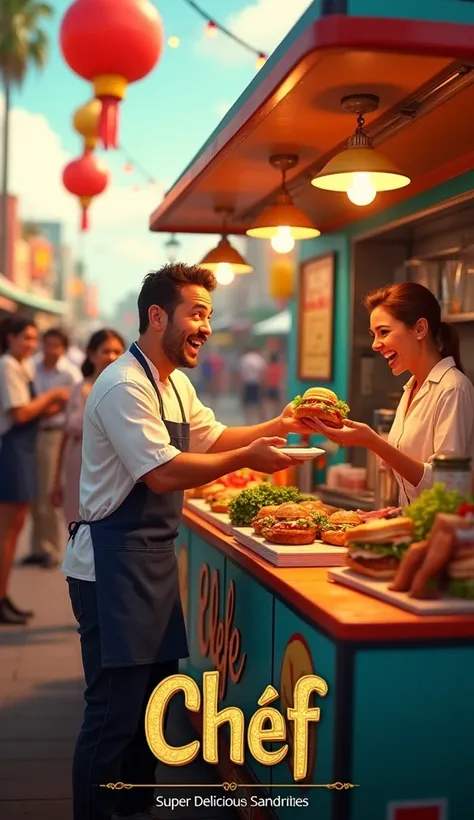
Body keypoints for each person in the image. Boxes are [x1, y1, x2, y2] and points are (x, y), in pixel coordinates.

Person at [61, 263, 312, 820]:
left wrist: (281, 423)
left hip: (148, 564)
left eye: (209, 315)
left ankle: (134, 808)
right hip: (108, 568)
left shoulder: (173, 382)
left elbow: (216, 435)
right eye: (196, 313)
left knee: (153, 707)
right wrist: (247, 459)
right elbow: (164, 473)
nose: (206, 326)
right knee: (110, 717)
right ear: (156, 316)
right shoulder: (123, 384)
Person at [309, 282, 474, 505]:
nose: (376, 345)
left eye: (383, 332)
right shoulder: (410, 388)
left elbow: (447, 484)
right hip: (411, 530)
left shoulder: (453, 388)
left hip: (442, 536)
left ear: (419, 329)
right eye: (373, 335)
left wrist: (373, 442)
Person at [0, 316, 71, 625]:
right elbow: (20, 412)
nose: (31, 344)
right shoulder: (7, 366)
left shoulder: (21, 365)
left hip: (24, 450)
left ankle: (4, 596)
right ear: (10, 339)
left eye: (33, 338)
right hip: (12, 450)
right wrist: (53, 396)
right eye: (25, 338)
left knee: (15, 527)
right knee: (7, 529)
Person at [50, 328, 126, 526]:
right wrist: (56, 480)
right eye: (106, 351)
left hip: (111, 470)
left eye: (117, 352)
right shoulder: (78, 389)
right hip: (77, 465)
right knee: (76, 525)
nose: (112, 357)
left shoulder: (126, 390)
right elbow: (65, 437)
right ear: (92, 354)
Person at [22, 328, 82, 569]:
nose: (51, 349)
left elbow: (72, 404)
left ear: (64, 348)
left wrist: (44, 406)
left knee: (48, 491)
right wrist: (51, 401)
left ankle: (50, 548)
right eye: (47, 344)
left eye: (57, 345)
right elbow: (27, 401)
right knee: (33, 493)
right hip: (31, 432)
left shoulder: (70, 373)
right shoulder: (31, 366)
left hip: (55, 435)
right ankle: (37, 548)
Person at [238, 346, 266, 424]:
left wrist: (241, 385)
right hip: (257, 383)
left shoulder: (244, 359)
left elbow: (241, 373)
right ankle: (260, 420)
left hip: (247, 382)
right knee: (258, 403)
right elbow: (262, 372)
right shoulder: (259, 358)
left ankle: (249, 421)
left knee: (247, 404)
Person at [264, 350, 285, 418]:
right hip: (277, 387)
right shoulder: (279, 367)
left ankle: (270, 417)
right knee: (277, 404)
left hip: (270, 387)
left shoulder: (268, 367)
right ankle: (276, 416)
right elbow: (281, 378)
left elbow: (266, 378)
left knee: (270, 404)